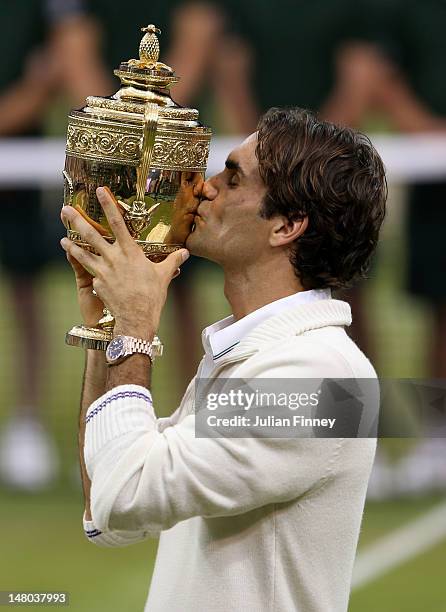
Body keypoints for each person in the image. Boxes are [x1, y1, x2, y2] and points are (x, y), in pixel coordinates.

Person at [60, 108, 387, 611]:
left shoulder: (318, 377)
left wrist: (135, 326)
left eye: (232, 178)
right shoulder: (264, 354)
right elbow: (106, 512)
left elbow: (126, 493)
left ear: (287, 225)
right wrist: (107, 328)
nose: (204, 187)